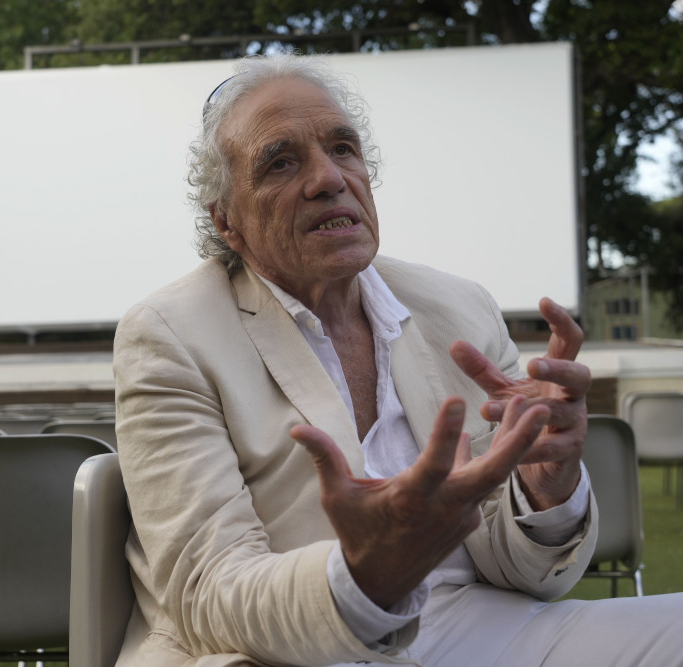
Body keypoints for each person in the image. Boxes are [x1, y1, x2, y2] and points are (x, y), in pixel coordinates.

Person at [112, 53, 683, 667]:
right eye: (280, 162)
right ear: (228, 223)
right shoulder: (169, 334)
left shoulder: (461, 307)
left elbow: (531, 574)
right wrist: (367, 575)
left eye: (343, 148)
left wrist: (543, 489)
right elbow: (208, 593)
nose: (328, 178)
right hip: (297, 649)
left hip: (475, 623)